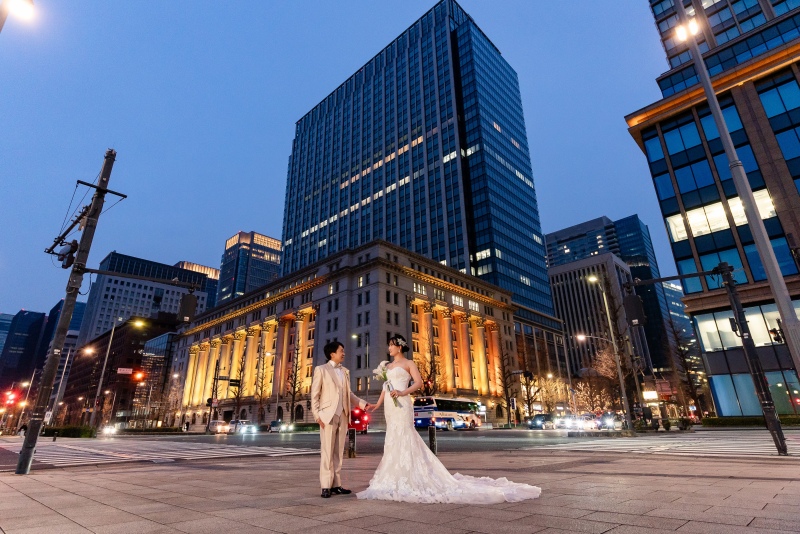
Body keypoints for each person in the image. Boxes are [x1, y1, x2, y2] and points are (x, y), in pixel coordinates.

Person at [357, 334, 541, 504]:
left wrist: (403, 392)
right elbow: (385, 387)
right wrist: (378, 405)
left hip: (403, 403)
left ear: (400, 347)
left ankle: (412, 472)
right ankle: (392, 474)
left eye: (392, 345)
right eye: (389, 345)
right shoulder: (386, 366)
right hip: (390, 405)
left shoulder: (409, 363)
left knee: (405, 434)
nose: (389, 348)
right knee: (392, 437)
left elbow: (419, 383)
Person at [311, 340, 371, 498]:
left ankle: (336, 484)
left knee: (338, 451)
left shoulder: (345, 371)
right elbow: (315, 395)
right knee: (327, 452)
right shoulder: (321, 370)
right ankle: (325, 485)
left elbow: (348, 394)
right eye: (341, 351)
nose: (344, 353)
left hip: (343, 415)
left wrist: (362, 404)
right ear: (332, 354)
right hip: (327, 416)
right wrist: (317, 416)